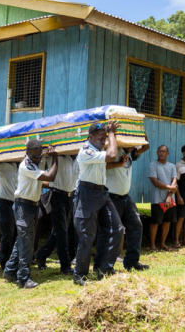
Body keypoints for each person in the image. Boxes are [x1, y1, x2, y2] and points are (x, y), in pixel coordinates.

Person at [73, 121, 124, 286]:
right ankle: (80, 275)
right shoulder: (86, 151)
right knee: (87, 236)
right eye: (101, 138)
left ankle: (104, 269)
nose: (104, 141)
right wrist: (112, 133)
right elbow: (112, 155)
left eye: (105, 138)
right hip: (87, 194)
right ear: (90, 137)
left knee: (117, 229)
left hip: (102, 192)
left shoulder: (98, 150)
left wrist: (110, 135)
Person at [3, 141, 58, 289]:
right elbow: (50, 176)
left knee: (22, 240)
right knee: (26, 242)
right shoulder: (27, 165)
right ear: (27, 153)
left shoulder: (34, 163)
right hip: (23, 207)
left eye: (40, 156)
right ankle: (23, 278)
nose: (38, 159)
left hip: (32, 206)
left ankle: (9, 271)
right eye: (35, 157)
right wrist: (55, 157)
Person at [95, 142, 150, 272]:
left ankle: (131, 262)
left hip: (126, 197)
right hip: (111, 197)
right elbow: (104, 165)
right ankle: (101, 266)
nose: (133, 146)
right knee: (109, 231)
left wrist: (138, 129)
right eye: (130, 143)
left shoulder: (130, 152)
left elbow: (146, 146)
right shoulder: (113, 150)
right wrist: (119, 162)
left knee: (136, 226)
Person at [36, 154, 79, 275]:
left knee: (60, 231)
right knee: (61, 232)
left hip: (70, 197)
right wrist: (52, 155)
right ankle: (65, 266)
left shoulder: (77, 158)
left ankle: (41, 254)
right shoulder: (56, 156)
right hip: (58, 197)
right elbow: (41, 166)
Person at [148, 145, 178, 252]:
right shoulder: (153, 165)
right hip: (157, 199)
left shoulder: (172, 166)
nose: (161, 153)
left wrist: (169, 196)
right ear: (157, 152)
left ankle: (162, 243)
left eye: (164, 151)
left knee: (167, 222)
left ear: (167, 154)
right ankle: (152, 245)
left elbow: (174, 180)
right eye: (160, 151)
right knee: (155, 222)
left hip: (170, 199)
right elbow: (155, 182)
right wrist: (170, 187)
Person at [0, 162, 19, 270]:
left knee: (16, 233)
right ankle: (4, 260)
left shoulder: (22, 165)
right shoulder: (2, 166)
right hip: (5, 203)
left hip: (17, 203)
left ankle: (10, 259)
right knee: (8, 233)